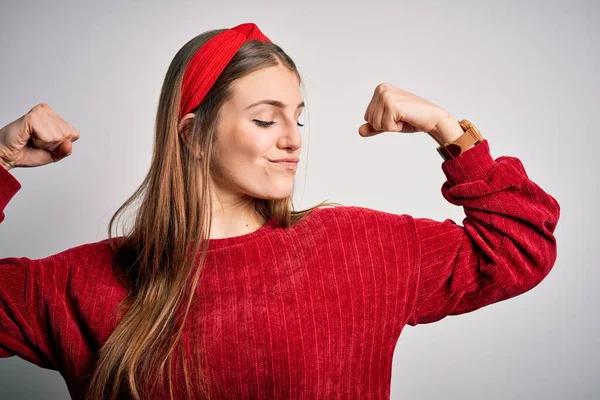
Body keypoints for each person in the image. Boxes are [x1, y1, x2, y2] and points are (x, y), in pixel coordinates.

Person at [0, 22, 560, 400]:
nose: (293, 138)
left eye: (299, 117)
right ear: (194, 135)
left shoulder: (359, 248)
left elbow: (516, 250)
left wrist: (448, 130)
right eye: (266, 119)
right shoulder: (81, 284)